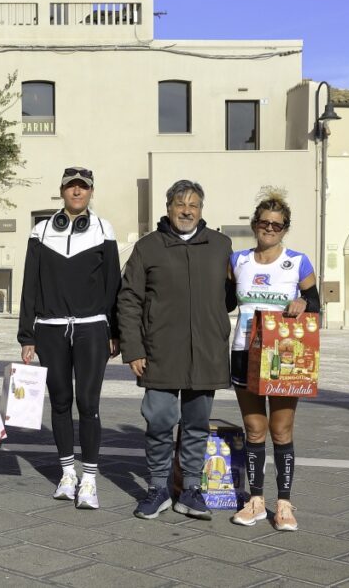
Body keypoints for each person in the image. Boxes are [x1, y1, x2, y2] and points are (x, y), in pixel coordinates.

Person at [118, 179, 235, 521]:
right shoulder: (148, 248)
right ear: (168, 207)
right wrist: (133, 348)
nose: (187, 211)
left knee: (197, 424)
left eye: (193, 205)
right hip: (160, 352)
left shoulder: (221, 245)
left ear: (201, 209)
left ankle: (191, 490)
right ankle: (158, 488)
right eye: (180, 204)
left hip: (206, 352)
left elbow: (233, 296)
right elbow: (129, 300)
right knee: (158, 420)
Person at [17, 167, 121, 510]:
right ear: (61, 191)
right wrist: (27, 334)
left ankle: (89, 478)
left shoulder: (104, 229)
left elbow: (113, 284)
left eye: (83, 187)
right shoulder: (41, 231)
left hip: (92, 328)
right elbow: (30, 285)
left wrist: (115, 331)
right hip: (50, 328)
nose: (77, 192)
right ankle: (67, 473)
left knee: (88, 404)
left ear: (91, 192)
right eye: (71, 187)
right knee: (60, 401)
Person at [228, 189, 319, 531]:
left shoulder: (298, 261)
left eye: (276, 225)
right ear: (255, 224)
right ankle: (255, 501)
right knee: (254, 428)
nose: (269, 228)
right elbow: (223, 301)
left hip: (283, 354)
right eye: (264, 222)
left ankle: (283, 503)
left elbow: (315, 303)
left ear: (285, 229)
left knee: (280, 430)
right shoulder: (237, 261)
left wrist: (304, 304)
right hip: (244, 350)